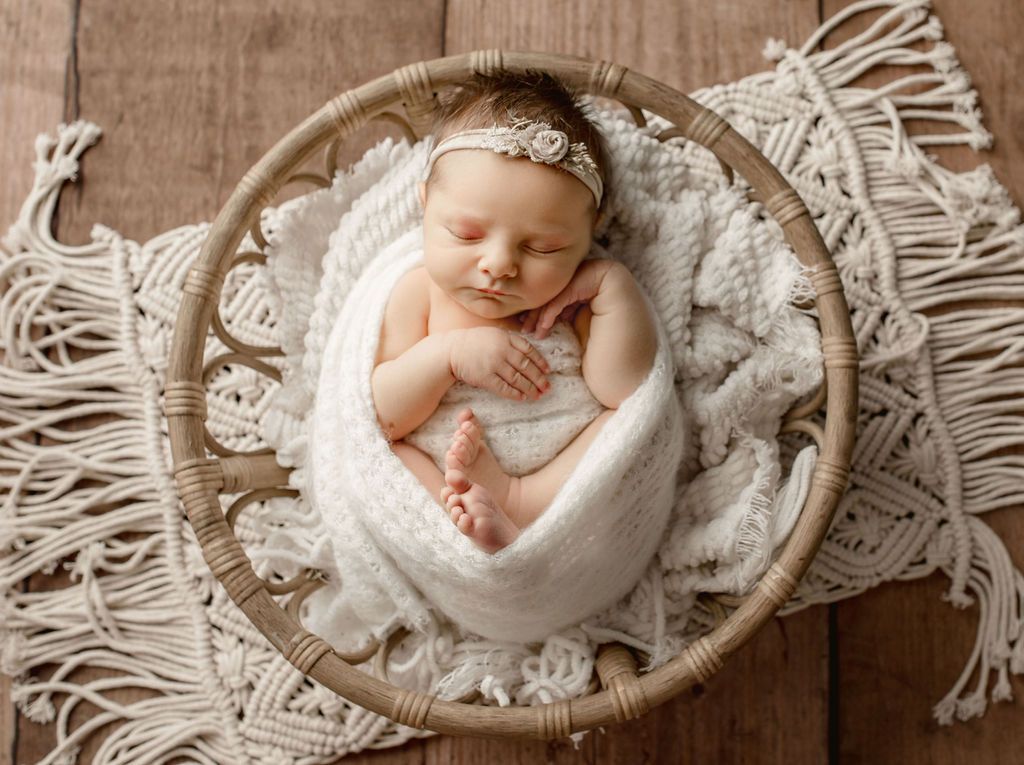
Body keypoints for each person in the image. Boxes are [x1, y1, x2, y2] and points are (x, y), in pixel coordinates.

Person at [370, 70, 658, 554]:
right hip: (445, 478)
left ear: (590, 236)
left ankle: (520, 504)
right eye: (466, 234)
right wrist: (448, 356)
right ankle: (462, 535)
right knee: (389, 457)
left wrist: (614, 289)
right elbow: (384, 418)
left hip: (560, 486)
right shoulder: (420, 293)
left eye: (544, 248)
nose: (500, 265)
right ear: (425, 205)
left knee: (624, 429)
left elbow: (626, 392)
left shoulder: (578, 299)